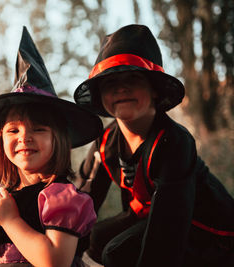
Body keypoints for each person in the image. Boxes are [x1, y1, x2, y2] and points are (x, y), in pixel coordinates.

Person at [73, 24, 234, 267]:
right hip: (149, 218)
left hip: (208, 230)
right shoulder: (105, 141)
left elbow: (167, 234)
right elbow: (81, 199)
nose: (121, 88)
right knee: (96, 237)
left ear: (155, 90)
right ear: (100, 95)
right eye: (110, 81)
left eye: (133, 77)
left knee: (117, 252)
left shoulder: (173, 142)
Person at [0, 26, 102, 267]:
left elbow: (55, 262)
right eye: (14, 130)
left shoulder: (60, 198)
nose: (25, 137)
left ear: (57, 139)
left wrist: (10, 220)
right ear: (1, 140)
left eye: (38, 129)